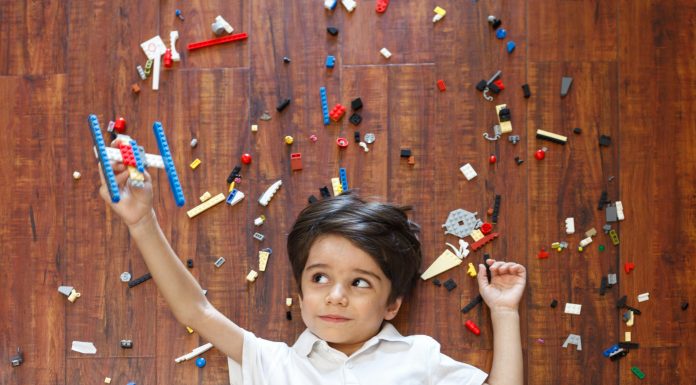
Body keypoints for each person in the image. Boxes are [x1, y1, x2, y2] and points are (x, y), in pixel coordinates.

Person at [99, 153, 526, 385]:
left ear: (393, 303)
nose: (336, 295)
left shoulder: (419, 358)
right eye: (320, 277)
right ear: (301, 292)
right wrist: (141, 222)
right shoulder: (270, 363)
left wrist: (504, 313)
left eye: (360, 282)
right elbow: (195, 310)